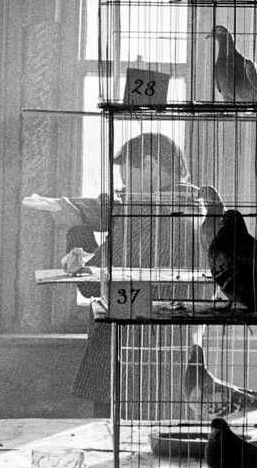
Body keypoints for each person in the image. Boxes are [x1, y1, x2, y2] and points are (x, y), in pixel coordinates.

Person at [26, 132, 205, 416]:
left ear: (150, 166)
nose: (124, 191)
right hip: (176, 362)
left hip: (128, 363)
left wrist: (76, 228)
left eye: (128, 181)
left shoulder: (144, 216)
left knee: (113, 441)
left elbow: (92, 284)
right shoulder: (198, 211)